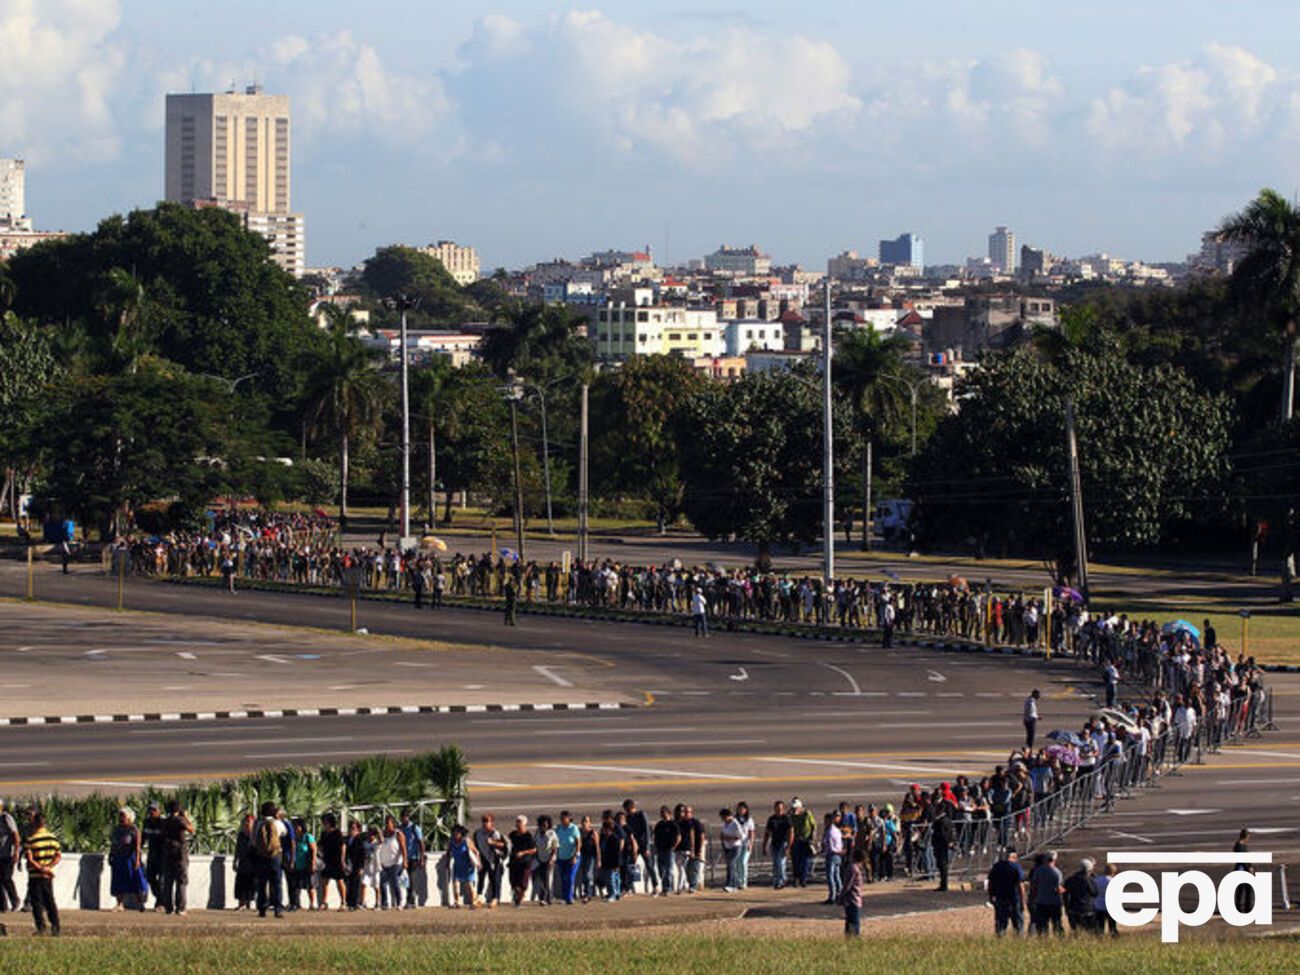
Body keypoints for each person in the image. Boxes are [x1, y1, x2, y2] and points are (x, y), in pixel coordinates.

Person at [23, 810, 61, 936]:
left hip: (35, 875)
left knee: (37, 903)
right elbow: (58, 856)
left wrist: (40, 868)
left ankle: (41, 927)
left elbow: (30, 859)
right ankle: (56, 927)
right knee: (50, 901)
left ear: (35, 823)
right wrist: (48, 867)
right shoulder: (52, 838)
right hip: (47, 876)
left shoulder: (31, 840)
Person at [161, 799, 195, 916]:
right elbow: (191, 829)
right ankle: (181, 907)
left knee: (168, 881)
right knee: (181, 881)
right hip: (180, 853)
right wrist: (185, 817)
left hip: (168, 852)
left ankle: (168, 907)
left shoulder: (165, 821)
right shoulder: (180, 820)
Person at [253, 801, 286, 918]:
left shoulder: (258, 823)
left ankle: (262, 909)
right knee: (277, 882)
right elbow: (284, 833)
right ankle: (278, 909)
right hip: (275, 855)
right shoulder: (278, 823)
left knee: (262, 883)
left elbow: (253, 839)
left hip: (261, 855)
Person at [109, 807, 146, 911]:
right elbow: (113, 844)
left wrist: (137, 860)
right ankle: (119, 904)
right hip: (118, 858)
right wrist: (111, 855)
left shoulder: (134, 830)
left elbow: (137, 847)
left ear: (129, 818)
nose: (121, 818)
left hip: (130, 859)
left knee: (135, 879)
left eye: (123, 816)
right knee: (118, 880)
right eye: (120, 815)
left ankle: (140, 902)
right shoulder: (117, 830)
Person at [987, 848, 1026, 936]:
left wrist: (991, 895)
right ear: (1014, 856)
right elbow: (1021, 885)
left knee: (1001, 921)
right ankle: (1019, 938)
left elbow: (991, 882)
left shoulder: (997, 866)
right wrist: (1023, 899)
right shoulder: (1016, 867)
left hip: (1000, 897)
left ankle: (1000, 937)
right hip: (1014, 898)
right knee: (1018, 922)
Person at [473, 814, 506, 908]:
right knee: (481, 878)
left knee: (495, 879)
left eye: (487, 821)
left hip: (494, 859)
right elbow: (476, 846)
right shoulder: (478, 833)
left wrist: (493, 842)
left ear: (492, 823)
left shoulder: (495, 833)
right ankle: (479, 898)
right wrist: (477, 859)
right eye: (484, 821)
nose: (485, 823)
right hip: (483, 859)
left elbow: (502, 845)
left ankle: (495, 898)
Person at [315, 813, 346, 911]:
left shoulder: (337, 833)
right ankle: (324, 902)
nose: (324, 824)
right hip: (327, 860)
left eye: (325, 822)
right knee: (324, 881)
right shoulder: (324, 834)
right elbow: (320, 845)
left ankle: (343, 902)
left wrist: (342, 859)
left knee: (339, 881)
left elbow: (343, 846)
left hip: (337, 860)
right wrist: (319, 854)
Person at [1030, 850, 1065, 936]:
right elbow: (1059, 888)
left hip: (1041, 901)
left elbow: (1034, 886)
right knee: (1056, 924)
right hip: (1054, 902)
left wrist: (1034, 898)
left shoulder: (1038, 871)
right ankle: (1059, 939)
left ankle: (1043, 940)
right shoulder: (1057, 872)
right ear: (1055, 859)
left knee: (1042, 926)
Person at [376, 815, 407, 911]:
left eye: (388, 823)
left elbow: (403, 847)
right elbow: (379, 844)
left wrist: (405, 860)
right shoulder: (383, 834)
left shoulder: (398, 834)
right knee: (382, 883)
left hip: (396, 862)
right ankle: (385, 903)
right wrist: (379, 835)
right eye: (385, 823)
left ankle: (399, 902)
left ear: (393, 824)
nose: (386, 825)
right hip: (385, 863)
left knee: (395, 882)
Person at [447, 825, 481, 909]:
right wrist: (447, 863)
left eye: (457, 833)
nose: (455, 835)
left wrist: (477, 862)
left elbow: (476, 852)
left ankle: (474, 902)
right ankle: (457, 902)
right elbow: (448, 853)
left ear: (461, 834)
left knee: (470, 885)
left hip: (468, 866)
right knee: (456, 884)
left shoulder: (466, 841)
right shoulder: (451, 842)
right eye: (454, 833)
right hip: (458, 866)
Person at [140, 801, 166, 910]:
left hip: (163, 855)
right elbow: (143, 837)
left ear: (159, 811)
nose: (152, 812)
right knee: (150, 877)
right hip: (152, 854)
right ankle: (161, 899)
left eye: (154, 810)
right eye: (150, 810)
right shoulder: (147, 822)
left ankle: (161, 902)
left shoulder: (163, 822)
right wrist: (138, 848)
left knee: (161, 880)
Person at [1064, 858, 1099, 935]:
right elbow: (1095, 893)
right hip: (1088, 909)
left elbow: (1065, 894)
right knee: (1091, 932)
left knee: (1076, 932)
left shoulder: (1071, 879)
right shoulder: (1090, 880)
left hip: (1074, 908)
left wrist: (1067, 908)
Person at [554, 810, 582, 905]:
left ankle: (569, 897)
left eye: (564, 818)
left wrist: (576, 855)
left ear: (569, 818)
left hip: (572, 857)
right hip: (561, 857)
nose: (562, 819)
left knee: (570, 877)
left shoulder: (574, 828)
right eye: (561, 818)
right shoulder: (559, 828)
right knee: (563, 878)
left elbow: (578, 843)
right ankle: (564, 897)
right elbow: (555, 842)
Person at [507, 815, 536, 907]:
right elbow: (508, 844)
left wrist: (523, 853)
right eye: (517, 822)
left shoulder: (528, 836)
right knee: (513, 882)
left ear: (525, 824)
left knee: (523, 883)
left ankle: (519, 900)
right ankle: (517, 898)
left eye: (520, 823)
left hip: (525, 862)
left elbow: (533, 849)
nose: (518, 825)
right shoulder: (512, 835)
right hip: (514, 862)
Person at [289, 817, 317, 911]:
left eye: (297, 826)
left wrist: (313, 863)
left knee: (310, 885)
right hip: (298, 864)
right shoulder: (294, 838)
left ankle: (312, 903)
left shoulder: (308, 837)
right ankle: (297, 903)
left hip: (307, 864)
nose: (295, 828)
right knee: (297, 885)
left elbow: (314, 850)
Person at [763, 800, 791, 890]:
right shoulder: (771, 819)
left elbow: (791, 832)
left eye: (780, 808)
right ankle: (777, 881)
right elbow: (767, 832)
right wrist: (764, 845)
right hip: (774, 843)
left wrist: (789, 846)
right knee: (776, 863)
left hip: (783, 843)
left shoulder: (786, 819)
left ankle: (781, 880)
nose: (779, 810)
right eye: (777, 808)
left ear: (783, 808)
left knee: (781, 863)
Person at [400, 811, 425, 909]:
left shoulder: (415, 828)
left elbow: (421, 843)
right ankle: (410, 899)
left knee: (410, 878)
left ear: (408, 817)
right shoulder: (400, 828)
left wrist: (421, 858)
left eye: (405, 817)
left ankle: (410, 900)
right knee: (406, 879)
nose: (403, 819)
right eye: (402, 818)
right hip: (404, 857)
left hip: (413, 857)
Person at [651, 805, 678, 897]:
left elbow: (678, 836)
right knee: (661, 869)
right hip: (660, 849)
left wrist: (674, 846)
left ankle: (667, 888)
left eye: (664, 813)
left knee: (668, 869)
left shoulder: (673, 824)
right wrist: (656, 846)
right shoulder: (659, 824)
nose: (662, 815)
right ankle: (664, 886)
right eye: (661, 813)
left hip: (669, 849)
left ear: (668, 813)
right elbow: (655, 836)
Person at [0, 798, 22, 913]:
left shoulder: (6, 818)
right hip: (0, 854)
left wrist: (16, 851)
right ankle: (2, 906)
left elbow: (15, 835)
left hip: (8, 854)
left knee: (6, 878)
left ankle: (15, 901)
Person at [789, 798, 816, 888]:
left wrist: (812, 839)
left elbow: (813, 826)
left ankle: (803, 879)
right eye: (793, 808)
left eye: (796, 808)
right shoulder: (791, 815)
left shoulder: (807, 814)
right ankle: (796, 878)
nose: (794, 810)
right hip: (796, 840)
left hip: (806, 840)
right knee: (795, 861)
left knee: (805, 861)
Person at [232, 814, 257, 911]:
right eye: (244, 822)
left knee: (251, 883)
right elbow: (237, 849)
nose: (246, 824)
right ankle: (241, 903)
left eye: (248, 822)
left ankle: (249, 903)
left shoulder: (255, 835)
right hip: (243, 862)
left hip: (253, 862)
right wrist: (235, 861)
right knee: (241, 883)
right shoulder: (241, 835)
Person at [842, 847, 866, 938]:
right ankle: (852, 936)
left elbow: (847, 884)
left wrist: (841, 895)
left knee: (853, 920)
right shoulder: (856, 868)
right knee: (852, 920)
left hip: (852, 898)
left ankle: (852, 937)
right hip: (855, 898)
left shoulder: (853, 868)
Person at [719, 807, 743, 893]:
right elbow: (723, 834)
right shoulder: (725, 824)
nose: (723, 819)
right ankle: (736, 883)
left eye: (724, 817)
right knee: (731, 866)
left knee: (730, 864)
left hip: (735, 847)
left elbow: (741, 836)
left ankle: (730, 884)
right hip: (727, 847)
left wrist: (729, 838)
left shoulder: (735, 824)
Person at [345, 821, 367, 910]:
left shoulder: (359, 840)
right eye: (350, 828)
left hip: (357, 865)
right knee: (348, 884)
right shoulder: (347, 839)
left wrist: (361, 867)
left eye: (353, 828)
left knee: (355, 884)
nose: (351, 830)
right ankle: (348, 902)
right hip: (348, 865)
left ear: (358, 830)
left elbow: (363, 854)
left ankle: (354, 903)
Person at [1233, 828, 1256, 915]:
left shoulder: (1242, 845)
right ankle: (1244, 908)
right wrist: (1249, 867)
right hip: (1242, 869)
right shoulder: (1239, 846)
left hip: (1243, 868)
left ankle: (1244, 907)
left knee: (1244, 889)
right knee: (1243, 889)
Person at [1095, 862, 1119, 937]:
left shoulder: (1097, 879)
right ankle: (1114, 938)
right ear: (1113, 872)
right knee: (1112, 926)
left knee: (1100, 926)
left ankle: (1100, 938)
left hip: (1099, 905)